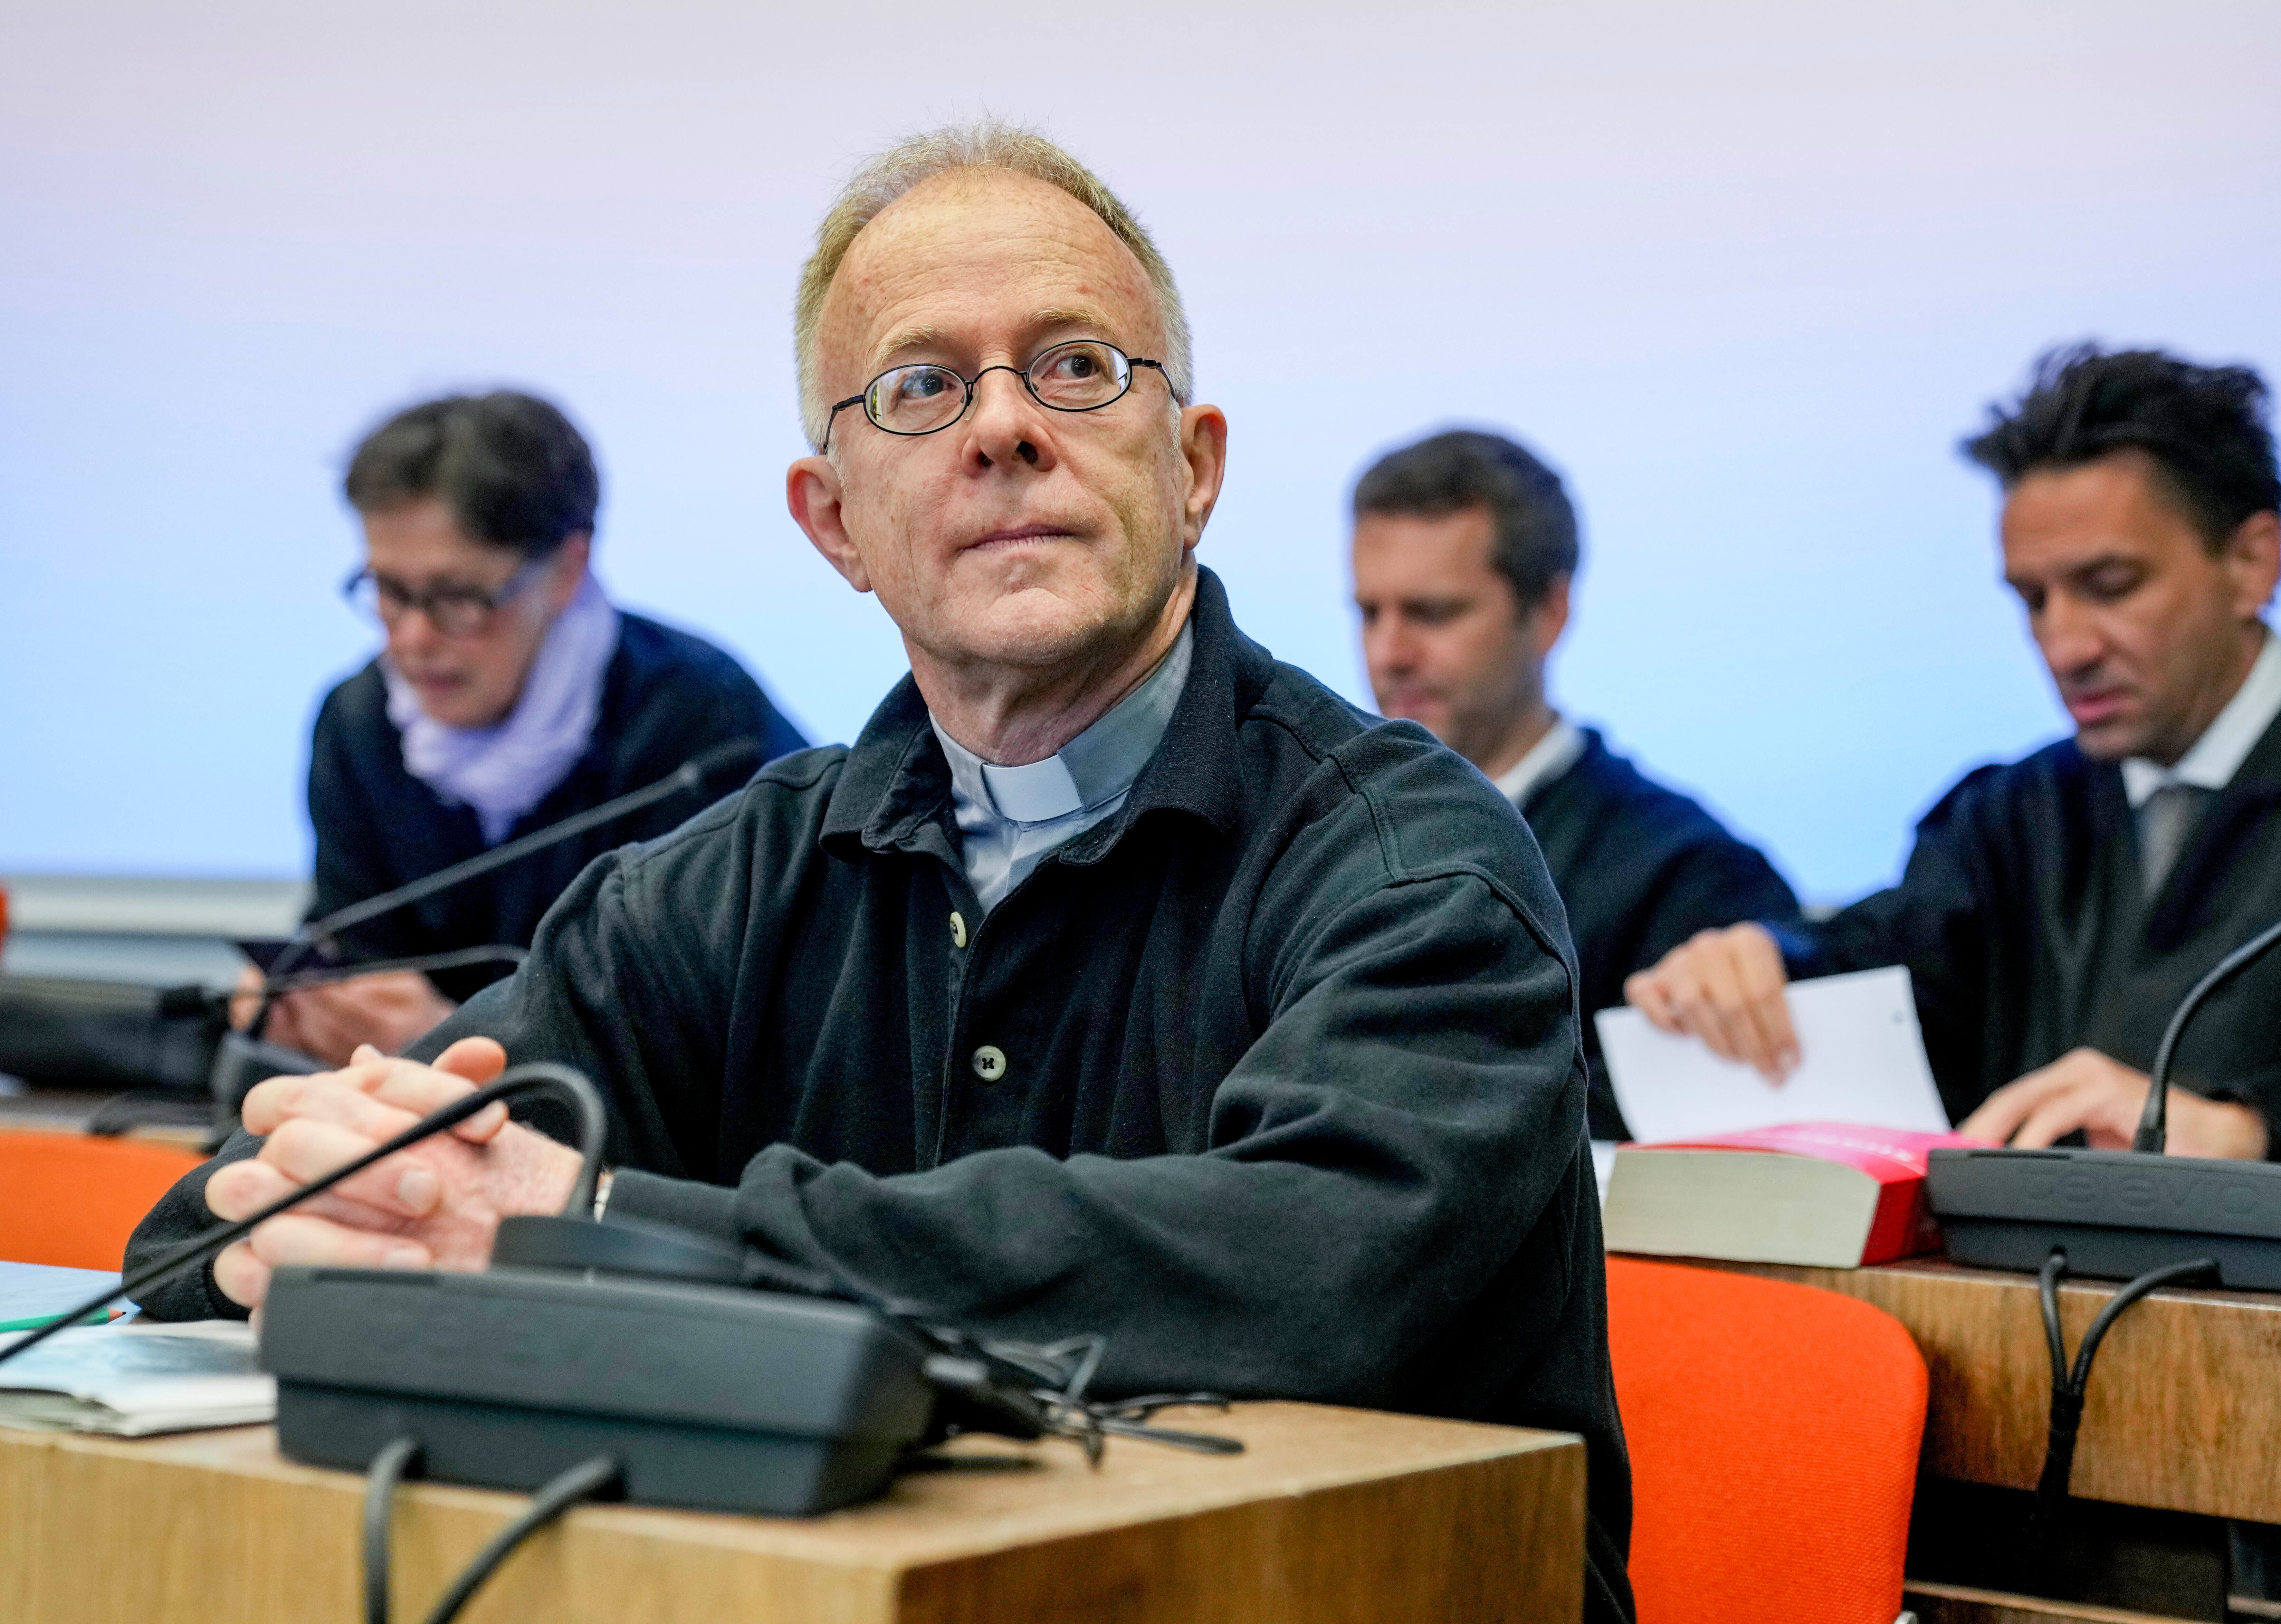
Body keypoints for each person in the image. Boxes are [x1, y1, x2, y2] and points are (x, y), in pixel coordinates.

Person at [129, 125, 1635, 1618]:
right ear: (835, 520)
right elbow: (199, 1245)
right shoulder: (722, 885)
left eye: (1076, 367)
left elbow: (1305, 1274)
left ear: (1193, 468)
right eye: (923, 386)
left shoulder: (1412, 864)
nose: (1003, 427)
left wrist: (585, 1231)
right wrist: (344, 1199)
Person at [1625, 344, 2281, 1173]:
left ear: (2250, 562)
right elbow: (1902, 977)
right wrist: (1764, 961)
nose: (2063, 645)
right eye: (2032, 599)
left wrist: (2252, 1131)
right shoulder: (2015, 816)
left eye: (2110, 584)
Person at [246, 391, 805, 1064]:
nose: (414, 639)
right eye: (390, 593)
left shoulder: (705, 724)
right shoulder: (358, 724)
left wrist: (460, 1045)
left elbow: (729, 1038)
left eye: (457, 598)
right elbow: (358, 951)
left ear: (567, 570)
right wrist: (310, 1006)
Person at [1351, 428, 1799, 1138]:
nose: (1388, 653)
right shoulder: (1322, 841)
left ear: (1549, 611)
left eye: (1432, 613)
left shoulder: (1689, 876)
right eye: (1369, 612)